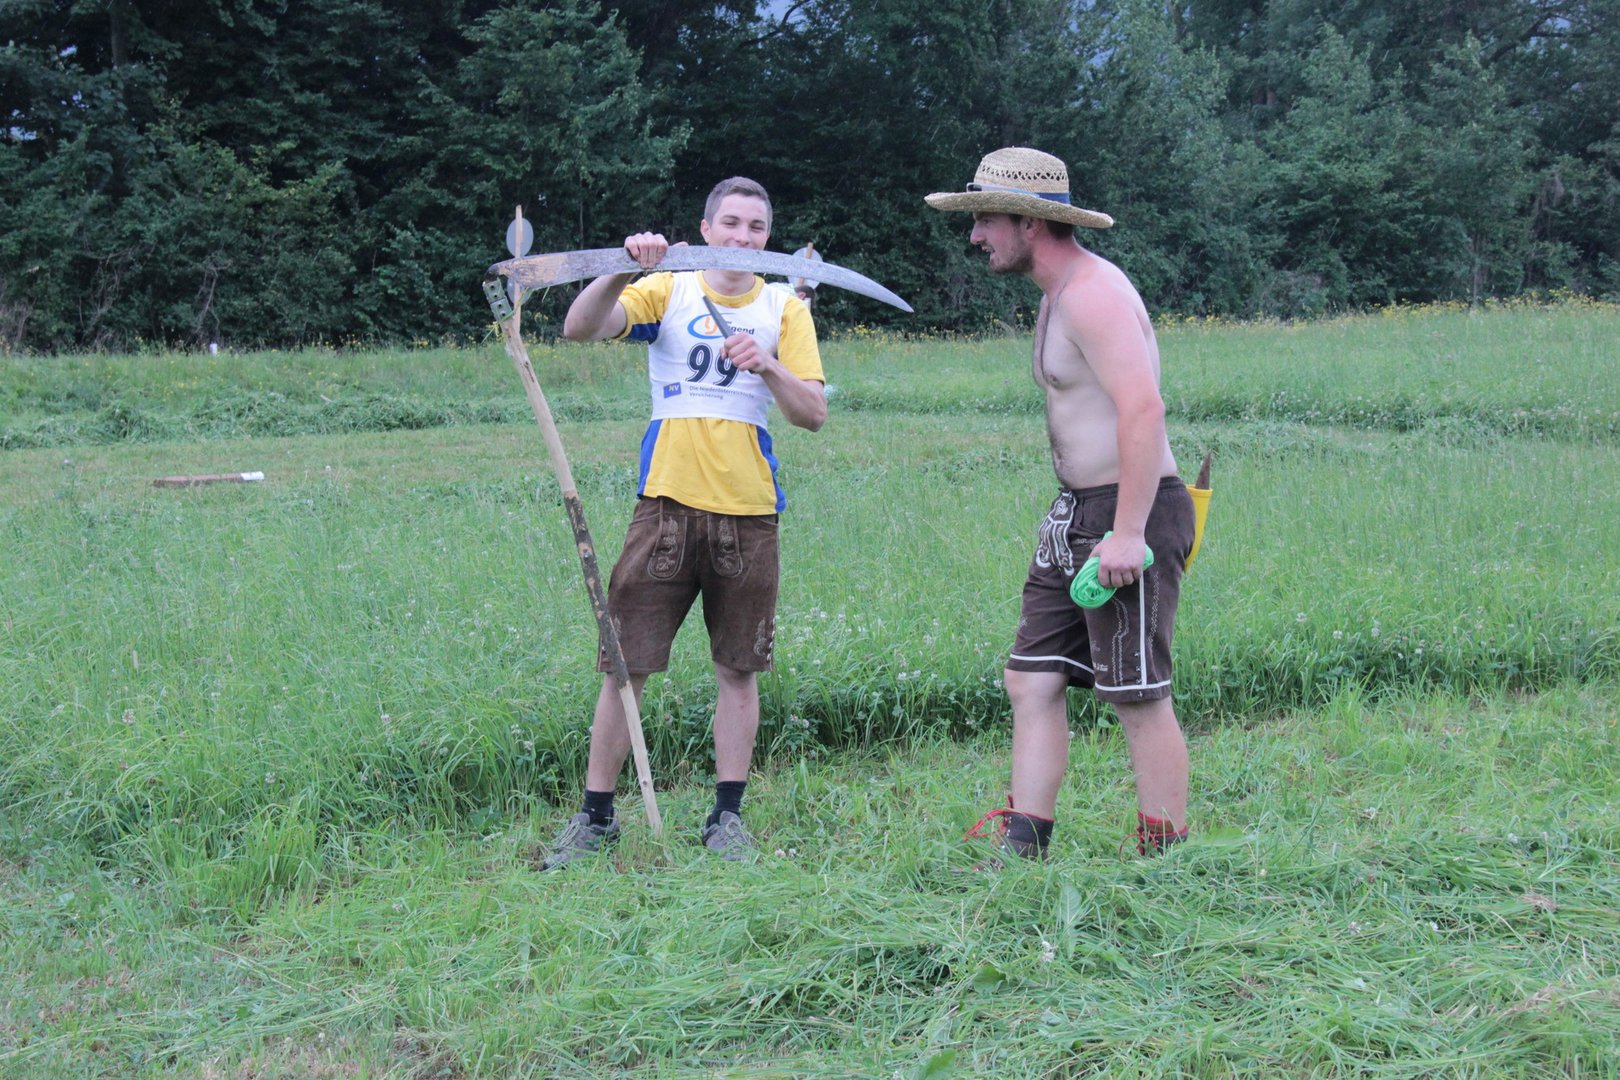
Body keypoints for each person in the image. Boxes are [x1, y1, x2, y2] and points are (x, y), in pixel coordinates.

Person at [541, 176, 827, 869]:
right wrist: (622, 266)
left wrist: (767, 366)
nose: (742, 237)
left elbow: (812, 413)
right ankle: (596, 818)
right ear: (705, 229)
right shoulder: (669, 289)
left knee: (738, 669)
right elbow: (580, 327)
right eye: (730, 222)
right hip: (664, 510)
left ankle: (727, 818)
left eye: (756, 227)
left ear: (768, 238)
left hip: (750, 517)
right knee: (625, 667)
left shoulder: (784, 307)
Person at [925, 147, 1197, 861]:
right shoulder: (1057, 294)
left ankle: (1166, 858)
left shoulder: (1091, 295)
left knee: (1137, 693)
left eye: (985, 219)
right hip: (1077, 512)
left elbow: (1143, 408)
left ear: (1029, 223)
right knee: (1031, 677)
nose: (975, 235)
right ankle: (1024, 844)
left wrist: (1129, 532)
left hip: (1130, 511)